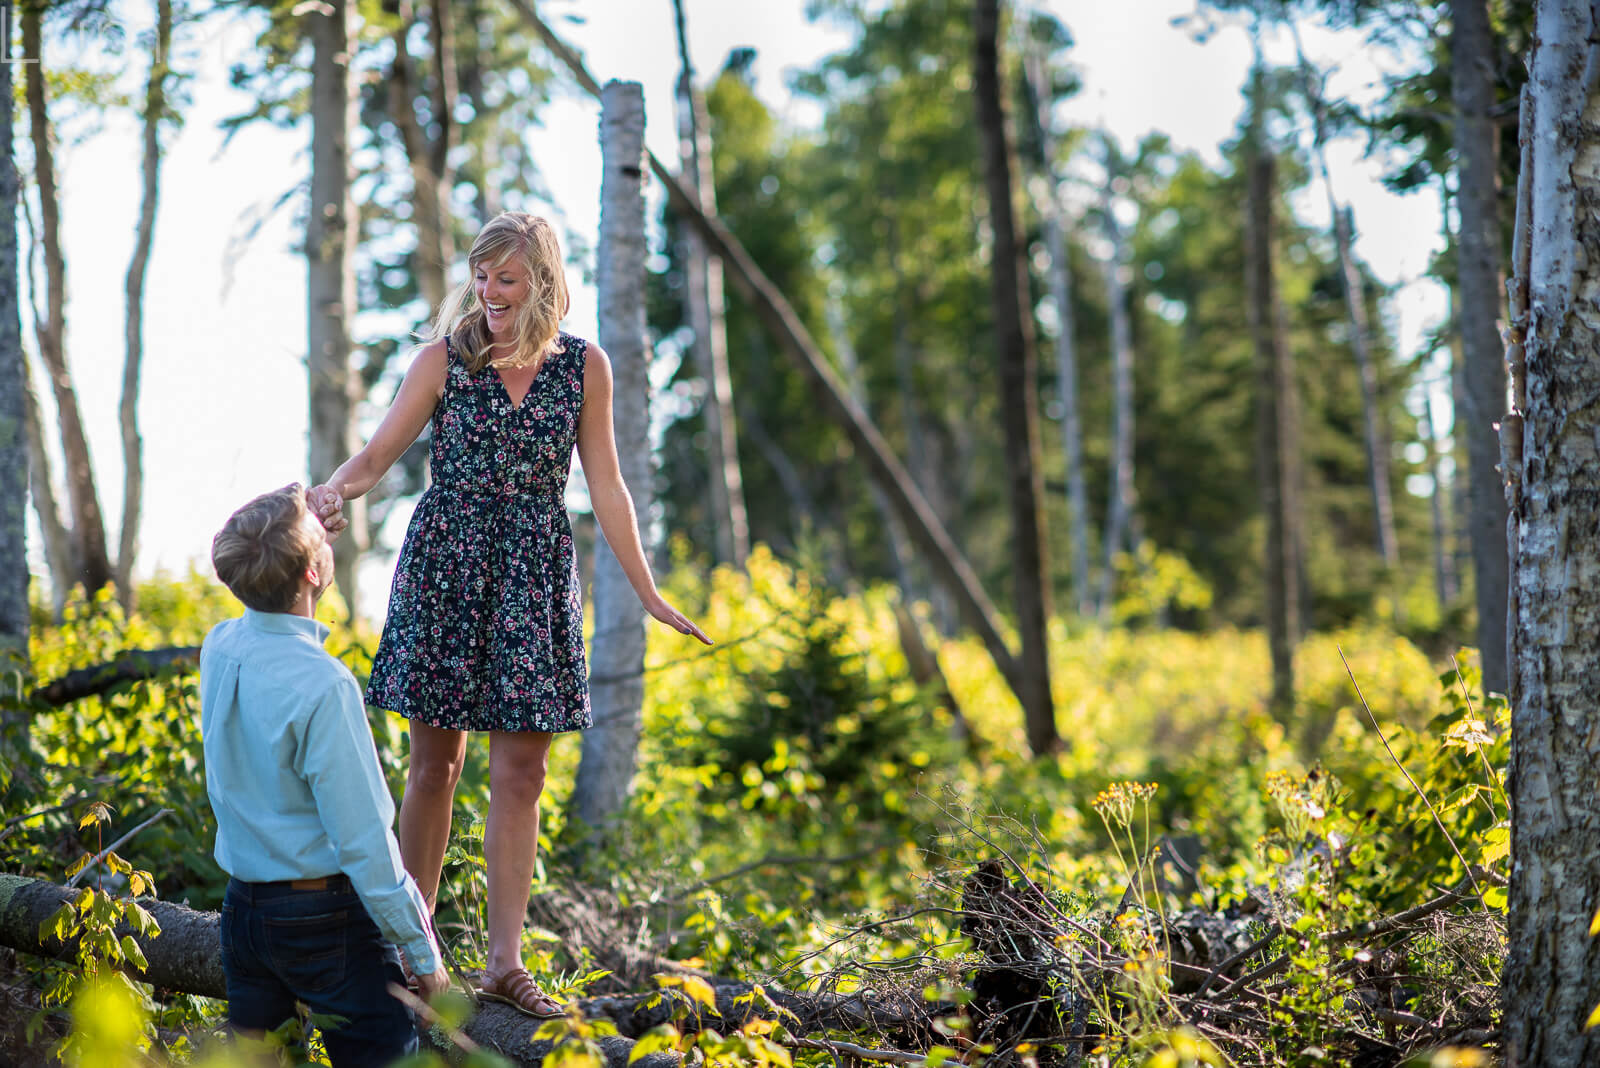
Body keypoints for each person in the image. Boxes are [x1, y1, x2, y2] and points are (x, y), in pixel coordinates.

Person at [309, 211, 710, 1018]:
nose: (489, 293)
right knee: (435, 768)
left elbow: (607, 486)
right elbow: (379, 455)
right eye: (482, 275)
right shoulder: (443, 361)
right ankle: (411, 955)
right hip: (447, 567)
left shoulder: (583, 367)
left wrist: (648, 589)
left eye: (507, 278)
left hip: (534, 573)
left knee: (522, 774)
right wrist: (329, 491)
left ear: (543, 283)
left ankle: (502, 965)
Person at [201, 483, 448, 1066]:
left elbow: (268, 571)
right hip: (325, 922)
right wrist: (421, 950)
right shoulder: (325, 685)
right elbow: (364, 842)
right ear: (313, 572)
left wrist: (298, 543)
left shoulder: (221, 646)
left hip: (243, 914)